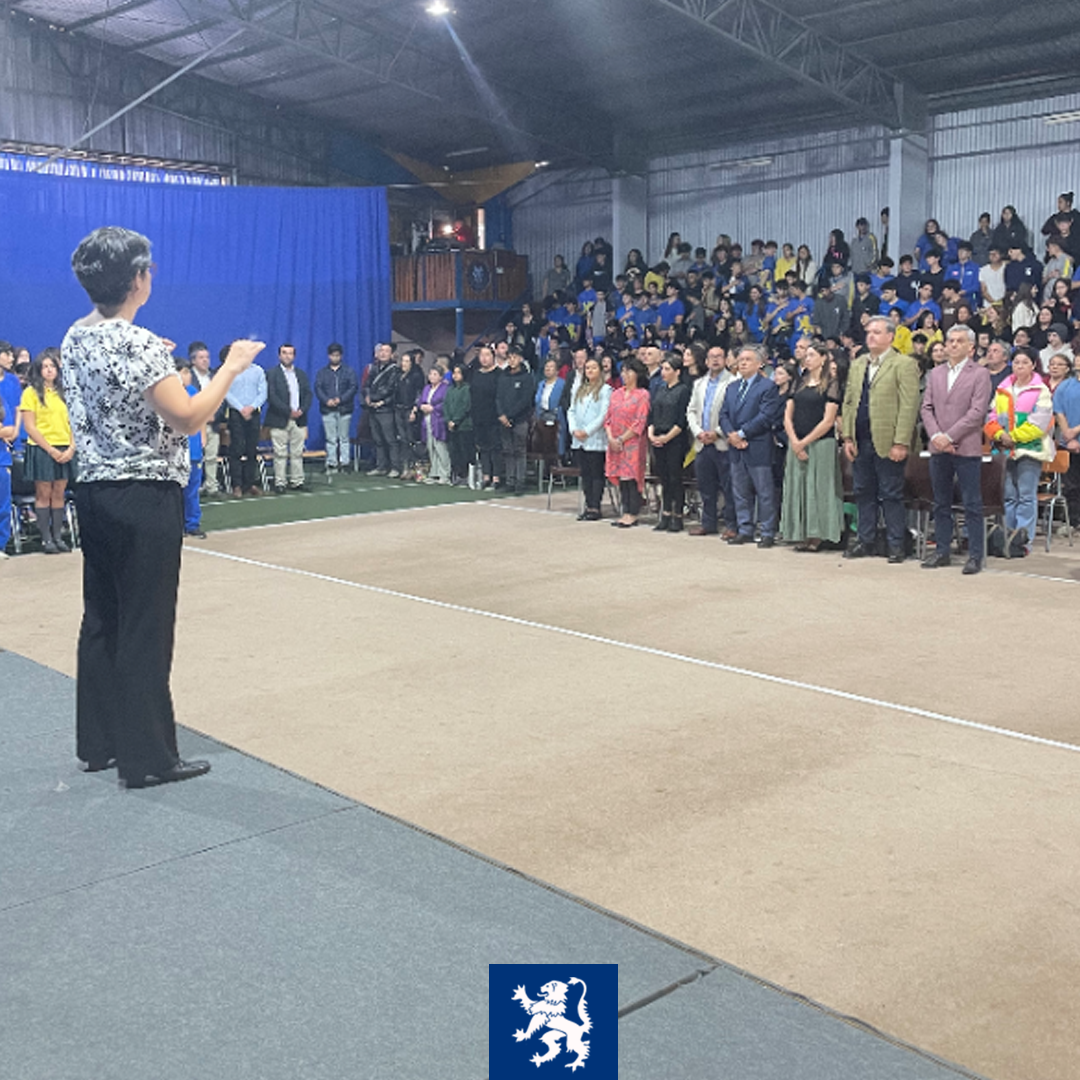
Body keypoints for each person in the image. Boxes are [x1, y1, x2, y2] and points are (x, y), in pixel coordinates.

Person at [63, 225, 264, 786]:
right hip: (145, 494)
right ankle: (148, 757)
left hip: (95, 489)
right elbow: (189, 417)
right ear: (136, 280)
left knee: (103, 617)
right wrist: (231, 367)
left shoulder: (77, 335)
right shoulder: (142, 345)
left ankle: (99, 742)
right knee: (146, 626)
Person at [841, 315, 921, 562]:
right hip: (861, 438)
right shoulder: (858, 364)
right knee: (863, 491)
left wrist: (901, 442)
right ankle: (865, 540)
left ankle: (896, 544)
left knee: (891, 493)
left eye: (877, 332)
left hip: (888, 440)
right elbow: (849, 401)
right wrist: (847, 437)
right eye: (869, 332)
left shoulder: (903, 364)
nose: (871, 336)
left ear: (890, 336)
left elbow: (909, 405)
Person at [920, 326, 993, 574]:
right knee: (940, 502)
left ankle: (975, 555)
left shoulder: (980, 373)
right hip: (938, 446)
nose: (952, 345)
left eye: (959, 341)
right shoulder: (935, 373)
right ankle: (942, 551)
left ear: (970, 347)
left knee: (972, 503)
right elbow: (926, 408)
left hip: (966, 446)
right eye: (950, 340)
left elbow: (977, 412)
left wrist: (949, 436)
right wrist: (937, 436)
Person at [985, 346, 1055, 555]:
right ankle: (1007, 537)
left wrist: (1012, 437)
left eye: (1025, 362)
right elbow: (991, 417)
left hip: (1029, 450)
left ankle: (1024, 540)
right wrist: (999, 434)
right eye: (1016, 362)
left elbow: (1039, 423)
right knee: (1008, 496)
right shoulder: (1002, 389)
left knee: (1026, 496)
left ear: (1033, 365)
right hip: (1004, 450)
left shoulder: (1041, 390)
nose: (1020, 366)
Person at [779, 340, 844, 551]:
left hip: (820, 444)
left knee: (819, 488)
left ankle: (818, 535)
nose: (807, 359)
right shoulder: (798, 382)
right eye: (806, 355)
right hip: (796, 442)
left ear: (823, 358)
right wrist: (794, 441)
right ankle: (800, 532)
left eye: (812, 355)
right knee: (798, 486)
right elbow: (787, 415)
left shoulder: (831, 383)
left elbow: (828, 420)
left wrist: (804, 442)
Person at [719, 344, 783, 547]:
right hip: (735, 446)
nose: (743, 363)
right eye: (740, 360)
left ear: (759, 363)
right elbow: (723, 414)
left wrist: (741, 434)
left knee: (764, 491)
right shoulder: (732, 387)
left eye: (748, 360)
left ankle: (767, 531)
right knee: (740, 491)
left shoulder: (767, 386)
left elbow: (766, 416)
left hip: (757, 445)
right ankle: (745, 528)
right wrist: (731, 434)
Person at [19, 350, 76, 554]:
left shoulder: (65, 392)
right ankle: (46, 539)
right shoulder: (31, 393)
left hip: (65, 447)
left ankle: (58, 537)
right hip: (42, 448)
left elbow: (74, 422)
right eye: (45, 367)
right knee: (44, 493)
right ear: (38, 370)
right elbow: (30, 427)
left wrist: (71, 448)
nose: (49, 370)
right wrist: (51, 450)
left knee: (59, 492)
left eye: (52, 366)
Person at [686, 345, 735, 538]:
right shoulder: (699, 383)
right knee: (705, 487)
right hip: (701, 442)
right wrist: (698, 432)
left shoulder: (733, 382)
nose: (715, 360)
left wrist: (717, 433)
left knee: (729, 487)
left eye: (719, 356)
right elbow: (691, 411)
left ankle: (732, 525)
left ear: (725, 360)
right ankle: (708, 523)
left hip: (722, 442)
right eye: (711, 357)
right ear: (706, 361)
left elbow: (733, 413)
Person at [647, 355, 691, 532]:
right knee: (663, 478)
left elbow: (681, 420)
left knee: (675, 478)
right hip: (658, 437)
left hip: (675, 439)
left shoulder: (683, 390)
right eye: (662, 369)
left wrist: (667, 437)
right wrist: (651, 434)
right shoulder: (660, 389)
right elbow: (652, 414)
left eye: (667, 369)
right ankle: (665, 513)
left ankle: (677, 515)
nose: (663, 373)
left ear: (677, 372)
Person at [605, 356, 650, 528]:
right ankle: (624, 512)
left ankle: (633, 513)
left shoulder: (642, 395)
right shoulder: (616, 394)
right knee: (621, 478)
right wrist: (611, 438)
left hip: (632, 443)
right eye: (623, 371)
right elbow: (608, 418)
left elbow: (640, 421)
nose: (625, 375)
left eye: (629, 371)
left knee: (631, 478)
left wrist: (622, 438)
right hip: (614, 442)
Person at [567, 358, 612, 520]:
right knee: (585, 473)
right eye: (587, 368)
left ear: (600, 370)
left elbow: (603, 414)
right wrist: (574, 429)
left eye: (594, 368)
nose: (590, 371)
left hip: (595, 437)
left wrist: (587, 431)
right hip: (579, 438)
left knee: (596, 473)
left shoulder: (606, 390)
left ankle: (595, 507)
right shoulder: (580, 389)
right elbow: (571, 410)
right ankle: (588, 505)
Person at [265, 343, 312, 493]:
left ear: (294, 356)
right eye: (284, 353)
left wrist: (302, 410)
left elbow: (308, 394)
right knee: (280, 453)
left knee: (297, 453)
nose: (287, 356)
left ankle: (297, 481)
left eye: (290, 353)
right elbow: (272, 396)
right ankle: (280, 482)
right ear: (279, 356)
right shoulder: (272, 374)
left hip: (299, 419)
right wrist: (288, 411)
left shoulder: (301, 374)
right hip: (279, 418)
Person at [224, 336, 267, 497]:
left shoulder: (258, 371)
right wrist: (241, 408)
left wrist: (252, 407)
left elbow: (263, 392)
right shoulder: (230, 371)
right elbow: (226, 391)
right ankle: (237, 485)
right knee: (236, 449)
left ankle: (250, 484)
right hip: (236, 413)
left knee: (251, 449)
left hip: (253, 414)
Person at [495, 347, 535, 493]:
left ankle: (520, 482)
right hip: (503, 420)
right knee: (507, 451)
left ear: (521, 359)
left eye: (515, 357)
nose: (512, 360)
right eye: (510, 357)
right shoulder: (503, 376)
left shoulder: (527, 377)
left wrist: (510, 416)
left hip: (520, 419)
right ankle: (510, 481)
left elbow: (525, 400)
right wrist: (501, 414)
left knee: (519, 451)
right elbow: (498, 397)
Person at [315, 343, 358, 472]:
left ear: (341, 356)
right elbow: (318, 388)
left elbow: (353, 387)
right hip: (327, 409)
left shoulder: (348, 371)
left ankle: (345, 463)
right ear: (329, 356)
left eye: (337, 355)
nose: (335, 357)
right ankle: (331, 463)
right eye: (333, 355)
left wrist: (341, 399)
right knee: (330, 438)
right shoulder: (322, 372)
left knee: (344, 438)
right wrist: (326, 400)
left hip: (344, 409)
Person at [176, 360, 206, 539]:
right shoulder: (169, 394)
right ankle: (175, 525)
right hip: (176, 451)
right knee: (174, 492)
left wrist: (203, 436)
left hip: (193, 450)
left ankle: (192, 524)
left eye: (188, 372)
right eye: (184, 372)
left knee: (192, 490)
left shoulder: (193, 392)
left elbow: (201, 415)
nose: (188, 376)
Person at [188, 341, 222, 495]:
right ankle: (193, 487)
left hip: (213, 423)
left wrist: (215, 415)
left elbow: (222, 398)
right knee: (194, 458)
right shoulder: (188, 377)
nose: (205, 360)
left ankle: (211, 486)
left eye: (207, 357)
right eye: (201, 358)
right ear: (193, 360)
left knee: (212, 457)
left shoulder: (214, 377)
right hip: (195, 425)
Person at [364, 342, 400, 477]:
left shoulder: (394, 370)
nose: (383, 353)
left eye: (386, 351)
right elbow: (367, 385)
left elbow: (391, 389)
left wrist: (379, 400)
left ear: (391, 354)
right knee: (377, 440)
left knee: (390, 439)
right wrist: (368, 397)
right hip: (373, 409)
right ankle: (381, 466)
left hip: (386, 409)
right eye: (381, 351)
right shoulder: (374, 368)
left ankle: (395, 467)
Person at [1052, 354, 1080, 527]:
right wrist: (1067, 433)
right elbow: (1059, 410)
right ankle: (1074, 521)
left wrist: (1075, 431)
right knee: (1071, 485)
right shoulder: (1065, 386)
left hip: (1075, 437)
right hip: (1069, 443)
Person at [470, 345, 502, 488]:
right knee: (483, 447)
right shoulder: (476, 374)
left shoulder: (499, 374)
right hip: (479, 416)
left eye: (487, 355)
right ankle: (486, 476)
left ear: (493, 356)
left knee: (495, 447)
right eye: (482, 355)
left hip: (494, 417)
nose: (484, 358)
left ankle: (496, 477)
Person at [413, 363, 450, 484]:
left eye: (435, 374)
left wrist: (434, 408)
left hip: (438, 420)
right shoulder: (427, 388)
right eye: (430, 374)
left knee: (440, 447)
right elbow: (420, 401)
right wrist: (422, 406)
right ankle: (434, 473)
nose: (432, 376)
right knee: (430, 446)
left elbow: (445, 403)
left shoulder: (445, 388)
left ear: (441, 377)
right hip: (427, 419)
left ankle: (445, 474)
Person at [444, 363, 474, 486]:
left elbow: (465, 406)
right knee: (454, 451)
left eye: (458, 373)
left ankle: (466, 475)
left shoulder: (467, 389)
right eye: (454, 373)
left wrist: (455, 420)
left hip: (464, 426)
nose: (455, 375)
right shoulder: (450, 389)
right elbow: (445, 405)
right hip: (451, 427)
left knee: (464, 451)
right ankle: (456, 474)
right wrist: (448, 420)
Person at [534, 357, 567, 458]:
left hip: (556, 420)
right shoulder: (541, 384)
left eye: (551, 367)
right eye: (546, 367)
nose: (548, 369)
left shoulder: (562, 384)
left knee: (555, 448)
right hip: (541, 419)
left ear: (557, 371)